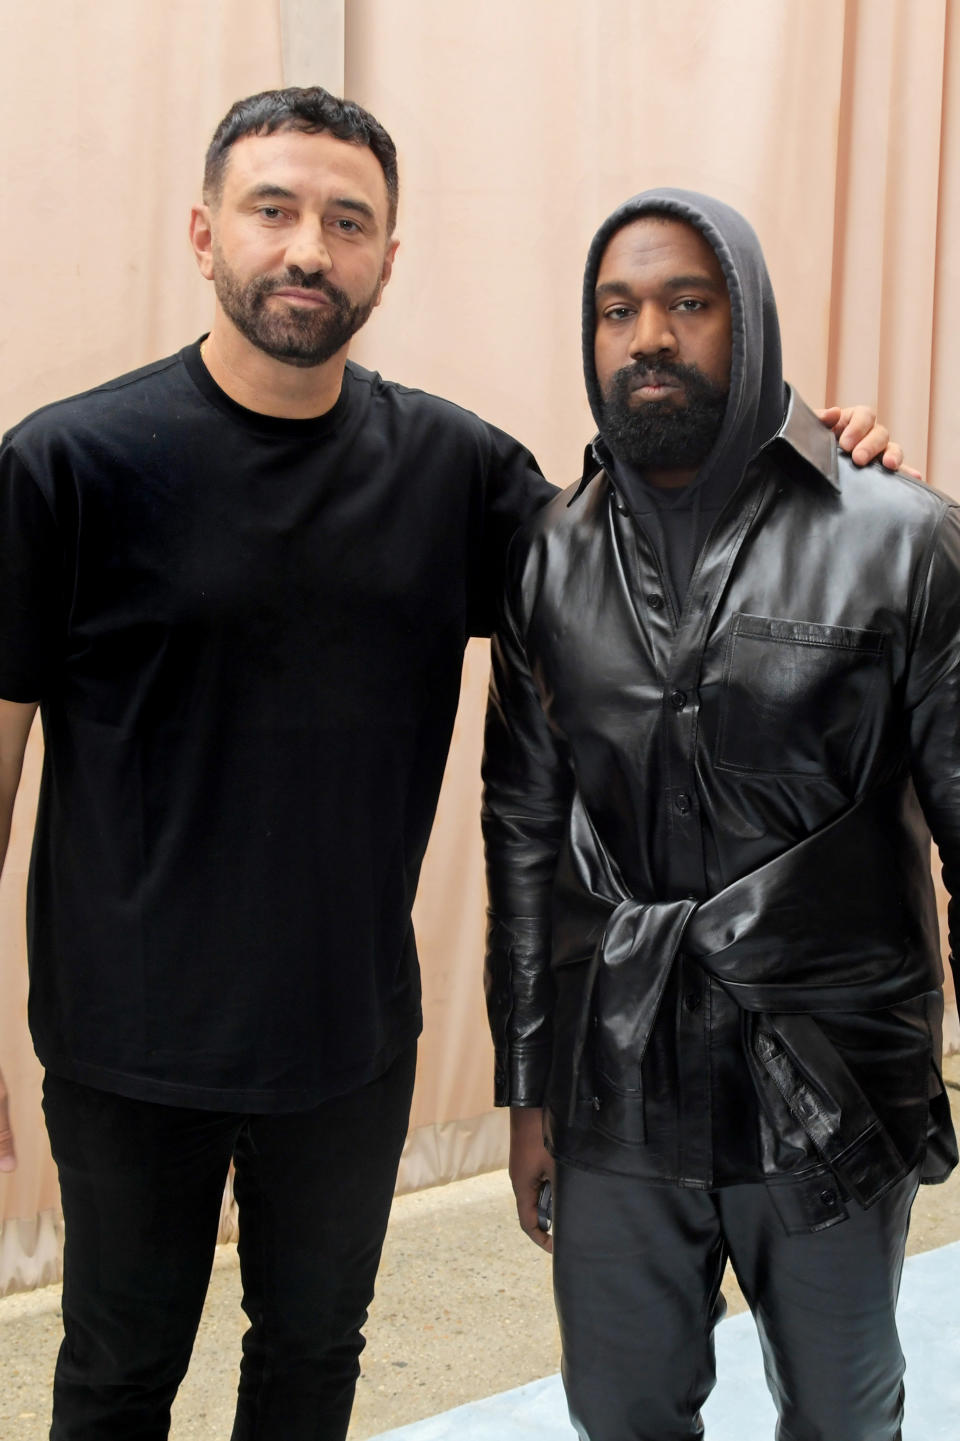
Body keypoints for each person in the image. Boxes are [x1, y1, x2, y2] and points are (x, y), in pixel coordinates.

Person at [0, 84, 902, 1439]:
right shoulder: (64, 466)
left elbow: (646, 568)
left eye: (346, 220)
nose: (309, 246)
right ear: (204, 233)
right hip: (130, 1040)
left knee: (313, 1358)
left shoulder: (457, 471)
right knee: (118, 1365)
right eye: (274, 210)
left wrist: (813, 476)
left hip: (351, 1038)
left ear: (387, 258)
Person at [482, 188, 959, 1441]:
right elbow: (523, 833)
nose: (648, 335)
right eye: (617, 309)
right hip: (614, 1073)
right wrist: (529, 1093)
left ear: (748, 323)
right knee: (622, 1411)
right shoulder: (548, 556)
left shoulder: (903, 540)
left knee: (844, 1416)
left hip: (832, 1072)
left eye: (688, 303)